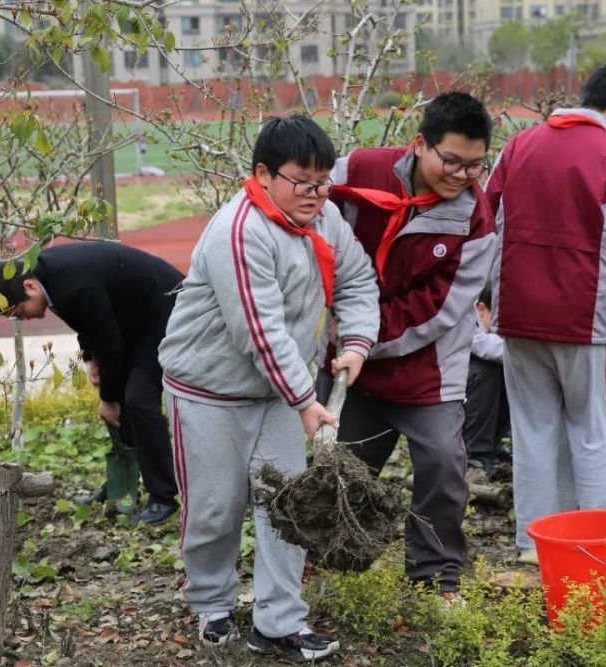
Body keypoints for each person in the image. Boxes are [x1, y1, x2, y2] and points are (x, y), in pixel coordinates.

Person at [158, 115, 379, 661]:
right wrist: (306, 400)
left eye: (323, 181)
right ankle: (211, 602)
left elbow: (356, 279)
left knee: (287, 505)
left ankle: (279, 622)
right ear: (263, 173)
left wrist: (355, 342)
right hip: (208, 392)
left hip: (279, 392)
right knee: (215, 506)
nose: (316, 194)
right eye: (302, 181)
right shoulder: (242, 230)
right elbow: (260, 330)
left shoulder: (325, 222)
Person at [323, 91, 497, 598]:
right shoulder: (356, 169)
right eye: (451, 161)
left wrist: (359, 335)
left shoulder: (475, 221)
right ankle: (333, 565)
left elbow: (439, 309)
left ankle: (435, 576)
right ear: (420, 145)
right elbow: (306, 208)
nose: (461, 176)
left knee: (444, 467)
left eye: (475, 166)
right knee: (342, 467)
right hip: (348, 361)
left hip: (427, 368)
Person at [483, 59, 606, 564]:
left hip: (517, 313)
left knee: (533, 430)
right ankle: (600, 541)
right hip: (584, 317)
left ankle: (534, 542)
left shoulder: (519, 146)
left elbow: (488, 214)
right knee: (596, 430)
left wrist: (492, 295)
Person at [0, 242, 184, 525]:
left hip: (167, 311)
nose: (23, 318)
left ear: (29, 286)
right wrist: (91, 359)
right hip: (132, 317)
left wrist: (109, 399)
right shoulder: (49, 276)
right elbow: (89, 320)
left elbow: (110, 344)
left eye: (18, 312)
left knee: (138, 399)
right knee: (121, 394)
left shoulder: (69, 282)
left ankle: (163, 498)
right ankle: (122, 484)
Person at [463, 287, 511, 475]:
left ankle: (492, 446)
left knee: (509, 373)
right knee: (486, 369)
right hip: (453, 388)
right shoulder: (465, 318)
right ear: (482, 309)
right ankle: (475, 450)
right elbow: (483, 346)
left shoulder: (487, 319)